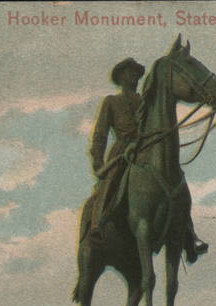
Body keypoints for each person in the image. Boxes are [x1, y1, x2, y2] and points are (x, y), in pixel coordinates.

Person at [89, 57, 208, 263]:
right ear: (121, 78)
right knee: (112, 179)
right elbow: (101, 133)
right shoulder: (111, 102)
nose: (134, 77)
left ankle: (190, 234)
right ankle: (98, 224)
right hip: (123, 152)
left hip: (147, 149)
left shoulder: (146, 101)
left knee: (175, 182)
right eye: (130, 73)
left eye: (136, 73)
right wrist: (98, 161)